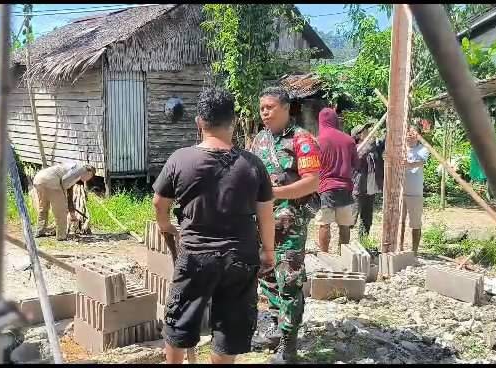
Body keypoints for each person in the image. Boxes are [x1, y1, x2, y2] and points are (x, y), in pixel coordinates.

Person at [152, 88, 275, 364]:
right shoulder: (253, 165)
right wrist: (268, 251)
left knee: (178, 324)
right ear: (233, 122)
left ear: (199, 122)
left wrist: (166, 226)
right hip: (240, 259)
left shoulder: (180, 160)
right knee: (227, 330)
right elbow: (266, 215)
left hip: (196, 258)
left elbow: (160, 202)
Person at [249, 87, 321, 364]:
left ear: (286, 108)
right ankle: (275, 330)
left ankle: (289, 345)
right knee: (267, 277)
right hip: (262, 221)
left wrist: (273, 193)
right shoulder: (260, 140)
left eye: (269, 107)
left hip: (290, 224)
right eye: (261, 108)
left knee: (289, 280)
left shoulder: (303, 140)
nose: (264, 113)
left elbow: (312, 182)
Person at [316, 108, 358, 253]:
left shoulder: (318, 141)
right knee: (344, 225)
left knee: (324, 224)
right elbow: (355, 164)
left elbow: (314, 166)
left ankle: (324, 256)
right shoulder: (349, 140)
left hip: (326, 187)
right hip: (345, 187)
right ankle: (343, 255)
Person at [32, 163, 96, 240]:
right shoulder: (81, 170)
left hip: (38, 179)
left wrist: (72, 214)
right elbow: (64, 183)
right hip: (51, 181)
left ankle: (40, 231)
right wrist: (63, 200)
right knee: (61, 211)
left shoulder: (72, 169)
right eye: (90, 176)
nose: (88, 180)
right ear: (89, 172)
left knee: (43, 207)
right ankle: (61, 236)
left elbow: (69, 195)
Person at [351, 123, 385, 238]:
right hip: (358, 189)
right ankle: (343, 245)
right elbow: (360, 155)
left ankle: (363, 242)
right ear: (358, 135)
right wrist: (371, 142)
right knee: (351, 219)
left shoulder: (374, 147)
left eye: (368, 130)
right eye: (365, 131)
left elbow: (384, 142)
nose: (369, 132)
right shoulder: (356, 148)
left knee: (367, 219)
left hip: (370, 188)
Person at [403, 124, 429, 254]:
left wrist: (408, 164)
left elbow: (420, 163)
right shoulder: (400, 148)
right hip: (400, 192)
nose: (410, 135)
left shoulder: (422, 149)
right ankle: (399, 248)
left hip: (415, 192)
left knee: (415, 223)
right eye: (409, 132)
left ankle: (414, 251)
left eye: (413, 133)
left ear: (418, 136)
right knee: (399, 222)